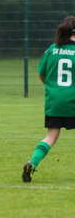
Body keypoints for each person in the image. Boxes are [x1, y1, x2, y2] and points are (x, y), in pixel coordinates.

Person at [22, 16, 75, 182]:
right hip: (73, 100)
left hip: (54, 101)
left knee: (51, 136)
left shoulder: (52, 49)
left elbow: (42, 74)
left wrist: (53, 88)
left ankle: (32, 162)